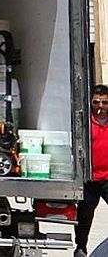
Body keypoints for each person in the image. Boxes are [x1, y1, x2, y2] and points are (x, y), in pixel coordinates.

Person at [75, 84, 108, 257]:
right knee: (85, 216)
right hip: (90, 178)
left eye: (104, 102)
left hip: (107, 178)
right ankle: (81, 248)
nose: (100, 106)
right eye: (96, 102)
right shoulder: (85, 123)